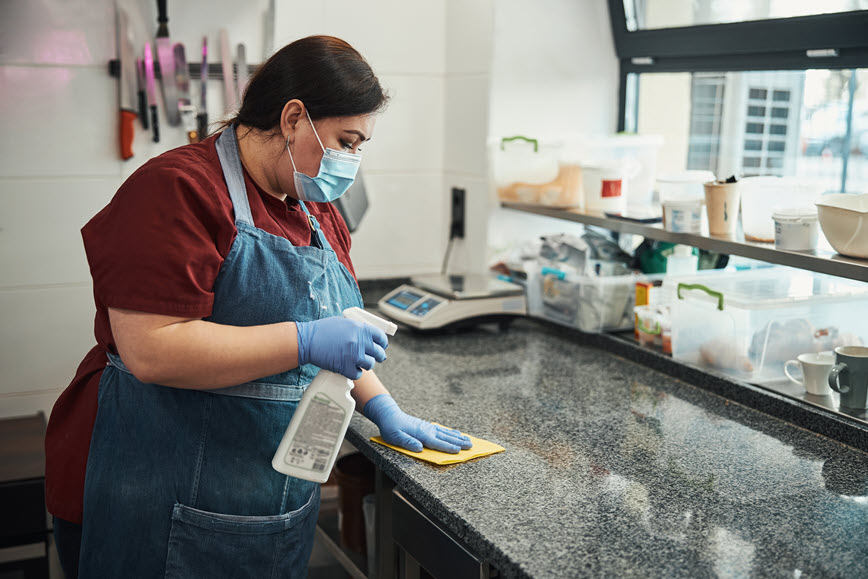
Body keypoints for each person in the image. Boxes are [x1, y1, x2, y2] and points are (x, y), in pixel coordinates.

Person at [45, 35, 472, 578]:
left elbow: (338, 332)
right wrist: (304, 340)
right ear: (294, 118)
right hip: (152, 487)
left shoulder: (316, 209)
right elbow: (152, 348)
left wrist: (382, 408)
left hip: (263, 497)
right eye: (346, 140)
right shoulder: (178, 189)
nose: (352, 161)